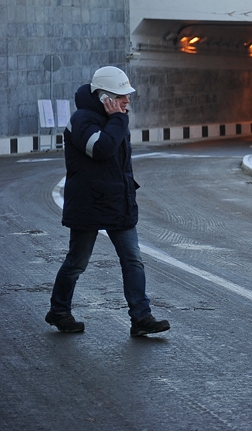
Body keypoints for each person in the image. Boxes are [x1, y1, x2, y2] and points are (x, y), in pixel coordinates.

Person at [46, 66, 170, 337]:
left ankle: (141, 317)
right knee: (77, 262)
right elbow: (101, 149)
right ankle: (59, 311)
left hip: (118, 202)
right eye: (121, 95)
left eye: (127, 95)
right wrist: (117, 121)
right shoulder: (81, 120)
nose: (127, 100)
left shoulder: (116, 118)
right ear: (104, 97)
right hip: (88, 205)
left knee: (133, 259)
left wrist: (117, 120)